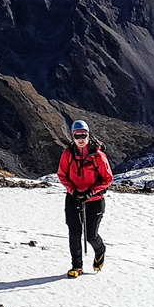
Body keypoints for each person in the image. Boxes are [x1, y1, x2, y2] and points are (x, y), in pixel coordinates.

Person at [57, 119, 113, 277]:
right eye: (77, 136)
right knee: (74, 232)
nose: (80, 139)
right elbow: (62, 174)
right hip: (73, 198)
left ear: (88, 135)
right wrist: (73, 191)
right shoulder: (68, 154)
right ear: (72, 137)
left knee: (91, 235)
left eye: (83, 135)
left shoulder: (98, 156)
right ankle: (77, 266)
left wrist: (91, 192)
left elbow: (108, 179)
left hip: (94, 201)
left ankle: (100, 250)